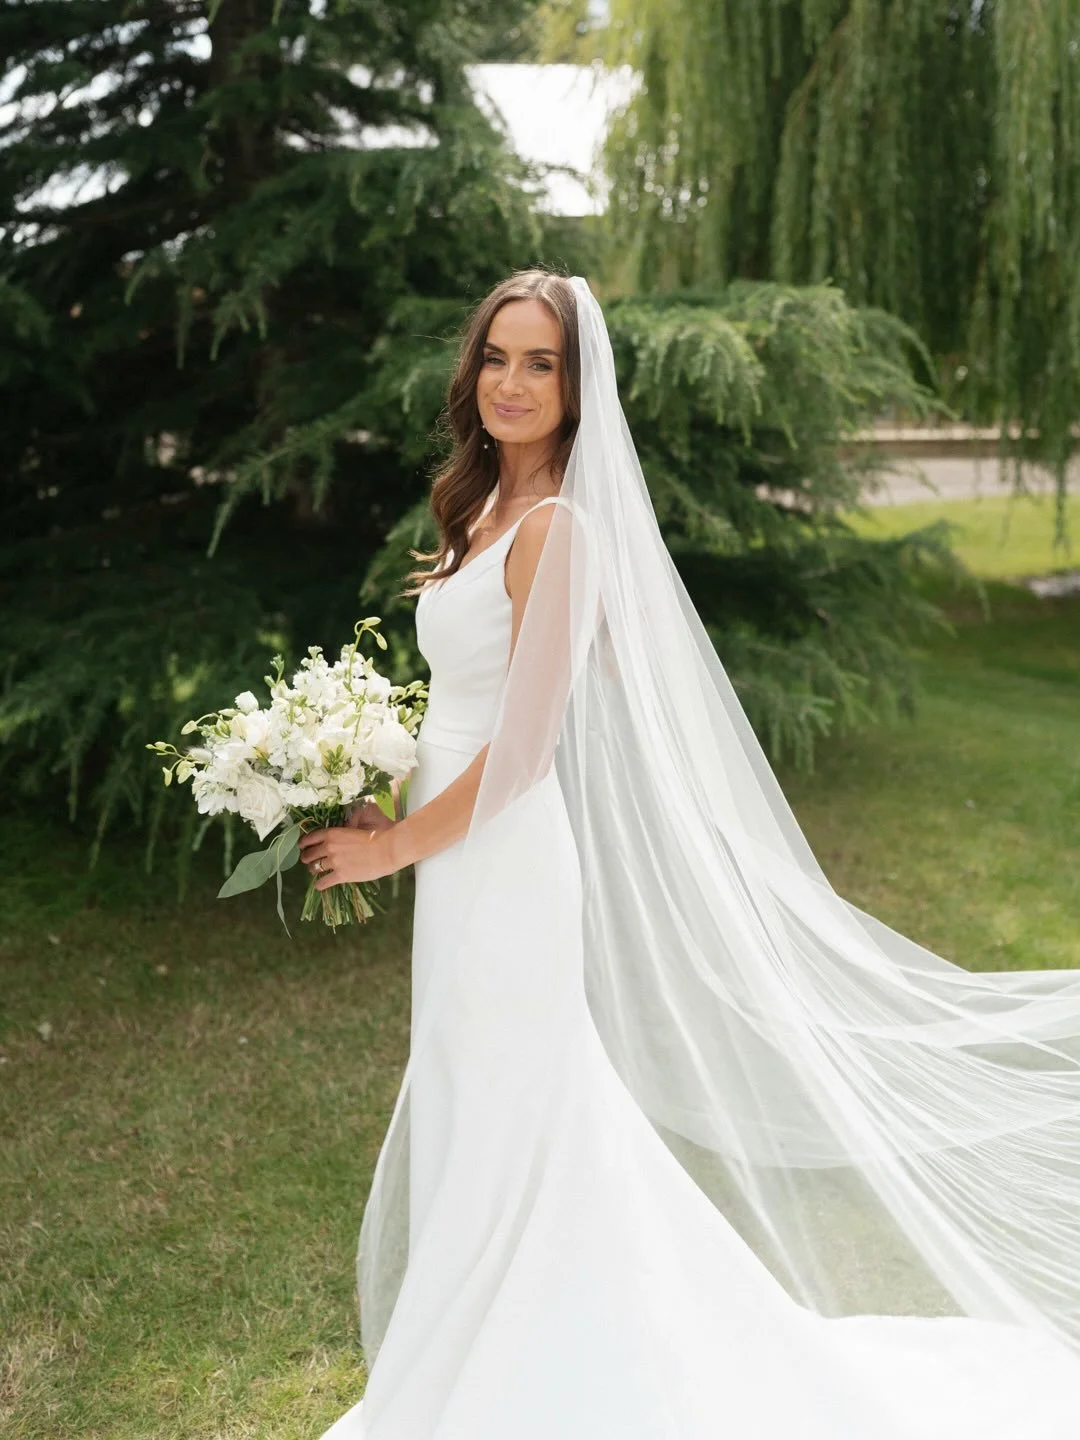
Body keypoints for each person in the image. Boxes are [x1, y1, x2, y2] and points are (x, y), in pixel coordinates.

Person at [300, 270, 1080, 1439]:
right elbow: (461, 708)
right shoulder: (476, 510)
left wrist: (399, 847)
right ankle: (490, 1341)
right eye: (498, 358)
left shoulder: (559, 529)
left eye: (542, 364)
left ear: (577, 388)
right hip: (459, 866)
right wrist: (373, 793)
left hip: (508, 870)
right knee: (479, 1098)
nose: (512, 383)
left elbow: (520, 754)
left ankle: (541, 1364)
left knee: (523, 1102)